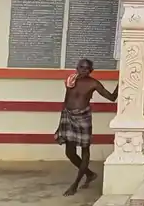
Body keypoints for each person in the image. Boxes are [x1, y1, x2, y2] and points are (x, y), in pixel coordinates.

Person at [55, 58, 118, 196]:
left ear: (91, 71)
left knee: (85, 150)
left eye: (87, 68)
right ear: (77, 68)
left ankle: (76, 183)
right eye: (81, 67)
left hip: (83, 118)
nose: (84, 70)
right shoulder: (71, 80)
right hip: (68, 116)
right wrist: (62, 120)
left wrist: (123, 82)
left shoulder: (93, 83)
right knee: (70, 152)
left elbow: (112, 97)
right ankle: (89, 174)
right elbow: (66, 100)